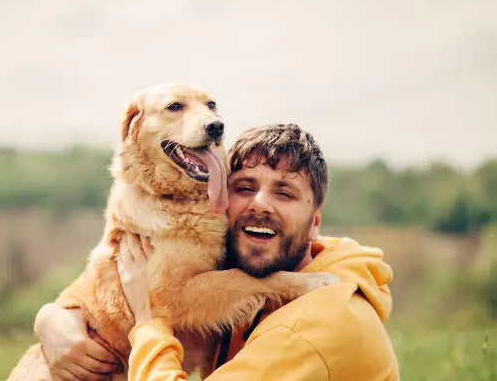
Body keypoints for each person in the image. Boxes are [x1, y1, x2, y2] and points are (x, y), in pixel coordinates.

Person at [35, 124, 400, 380]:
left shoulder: (316, 325)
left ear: (316, 221)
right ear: (218, 196)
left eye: (284, 193)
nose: (260, 204)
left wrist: (148, 322)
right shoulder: (251, 270)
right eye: (244, 187)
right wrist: (52, 318)